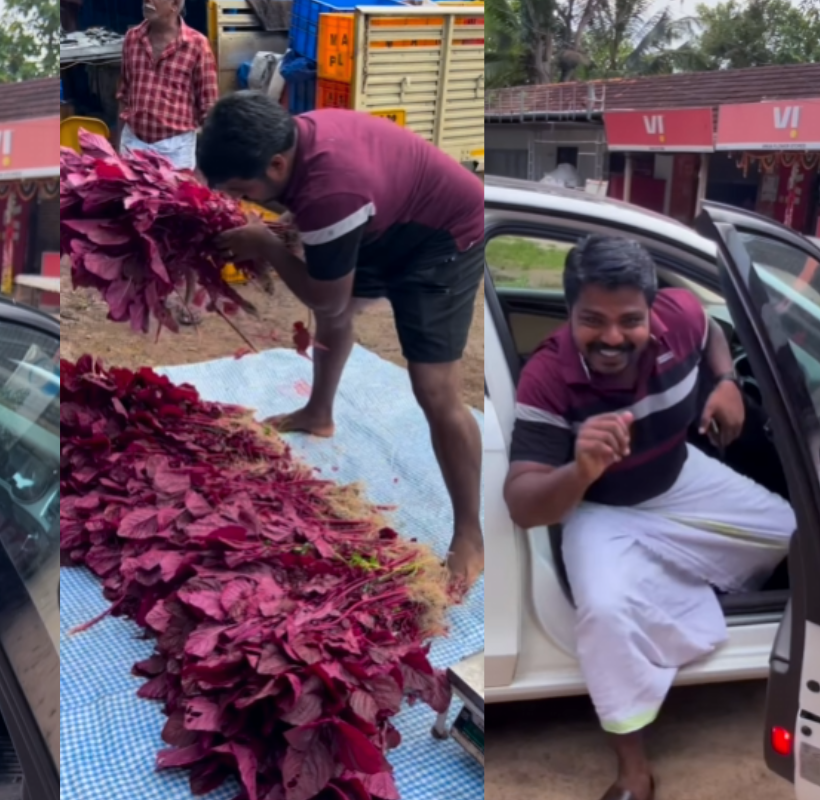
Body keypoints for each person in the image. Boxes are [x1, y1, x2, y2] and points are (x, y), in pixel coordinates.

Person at [503, 235, 795, 800]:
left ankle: (675, 583)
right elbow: (521, 503)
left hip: (680, 480)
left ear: (651, 311)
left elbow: (712, 330)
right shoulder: (545, 378)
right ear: (569, 313)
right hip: (598, 509)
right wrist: (581, 468)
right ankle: (633, 768)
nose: (612, 337)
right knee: (606, 612)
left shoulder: (679, 318)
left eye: (628, 320)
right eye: (593, 319)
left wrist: (727, 382)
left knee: (791, 534)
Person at [196, 91, 485, 589]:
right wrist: (284, 227)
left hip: (443, 238)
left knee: (434, 389)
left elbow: (326, 298)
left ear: (278, 162)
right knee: (335, 308)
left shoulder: (332, 193)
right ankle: (320, 413)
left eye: (245, 190)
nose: (245, 202)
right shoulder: (293, 139)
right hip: (385, 219)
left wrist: (266, 243)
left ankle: (472, 534)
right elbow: (331, 286)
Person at [116, 0, 219, 326]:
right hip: (134, 143)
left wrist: (205, 168)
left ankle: (185, 301)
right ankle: (146, 294)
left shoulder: (197, 47)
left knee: (178, 226)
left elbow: (210, 109)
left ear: (176, 5)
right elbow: (124, 92)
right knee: (136, 223)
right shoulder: (132, 38)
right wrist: (121, 139)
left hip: (175, 149)